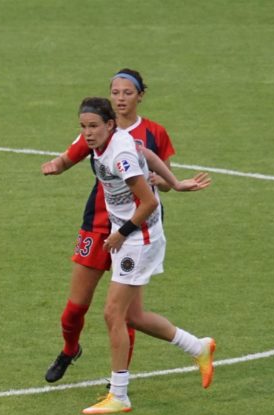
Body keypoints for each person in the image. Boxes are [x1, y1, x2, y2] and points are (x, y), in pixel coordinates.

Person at [40, 69, 210, 382]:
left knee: (122, 313)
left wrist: (170, 183)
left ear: (140, 96)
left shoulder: (149, 134)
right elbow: (70, 157)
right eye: (115, 92)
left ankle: (118, 381)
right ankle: (69, 350)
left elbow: (154, 185)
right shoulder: (97, 130)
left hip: (133, 229)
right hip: (98, 224)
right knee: (76, 309)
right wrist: (56, 165)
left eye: (127, 92)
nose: (120, 98)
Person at [67, 97, 216, 414]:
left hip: (139, 237)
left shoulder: (119, 153)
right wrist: (175, 183)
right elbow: (146, 152)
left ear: (109, 125)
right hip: (133, 233)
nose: (88, 134)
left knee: (112, 314)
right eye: (83, 127)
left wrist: (120, 233)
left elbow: (147, 202)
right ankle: (199, 347)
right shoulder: (116, 141)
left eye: (93, 127)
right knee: (133, 315)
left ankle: (119, 395)